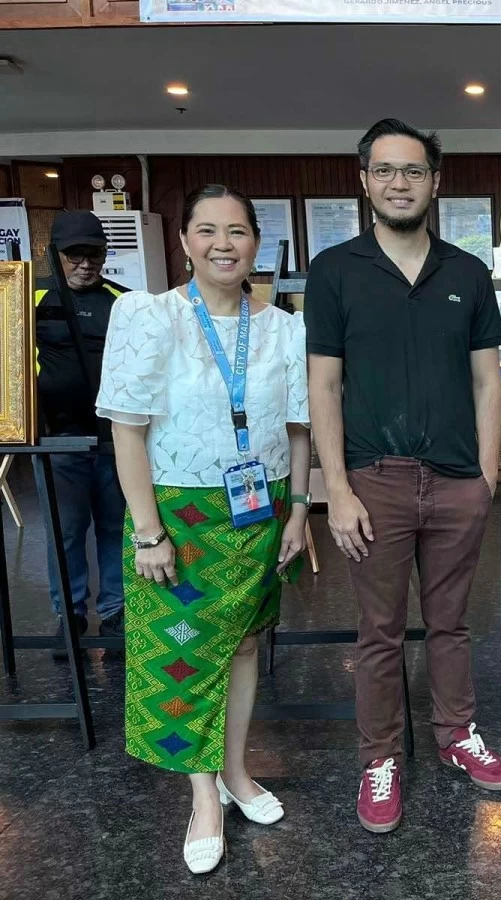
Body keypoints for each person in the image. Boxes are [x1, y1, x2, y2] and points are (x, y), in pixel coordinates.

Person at [305, 118, 501, 837]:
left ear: (435, 181)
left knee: (451, 624)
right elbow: (323, 386)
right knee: (380, 632)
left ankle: (457, 734)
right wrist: (336, 487)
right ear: (363, 181)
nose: (400, 183)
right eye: (386, 170)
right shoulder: (334, 271)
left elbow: (489, 382)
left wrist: (485, 477)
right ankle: (381, 758)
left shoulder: (467, 273)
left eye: (414, 171)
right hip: (375, 483)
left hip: (457, 483)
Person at [96, 184, 310, 873]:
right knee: (182, 652)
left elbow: (299, 429)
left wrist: (300, 510)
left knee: (245, 646)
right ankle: (204, 797)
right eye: (208, 230)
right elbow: (127, 432)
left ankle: (236, 771)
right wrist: (147, 531)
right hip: (180, 515)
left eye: (239, 231)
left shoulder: (282, 326)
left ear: (256, 242)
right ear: (184, 241)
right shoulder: (148, 316)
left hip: (259, 507)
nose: (224, 243)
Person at [35, 211, 128, 657]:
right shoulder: (28, 299)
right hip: (56, 442)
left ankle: (115, 613)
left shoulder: (124, 303)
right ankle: (69, 614)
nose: (85, 264)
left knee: (115, 528)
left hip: (115, 441)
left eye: (94, 254)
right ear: (55, 254)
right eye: (75, 255)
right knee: (66, 530)